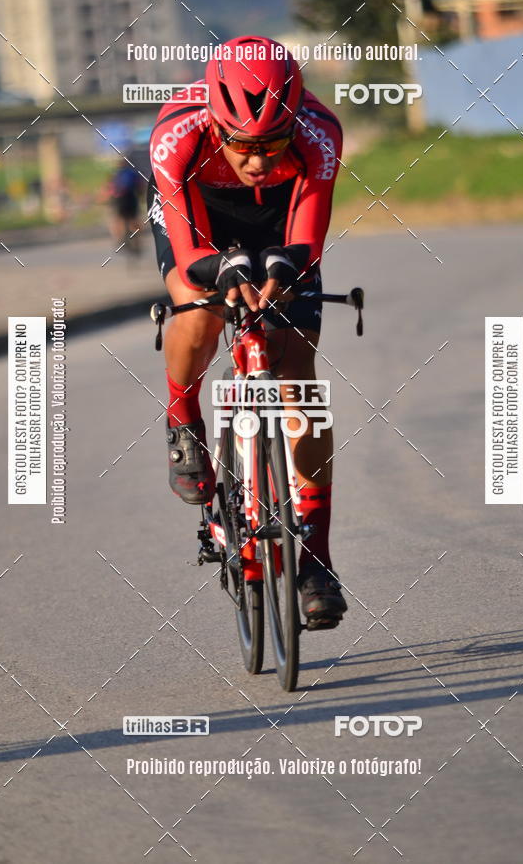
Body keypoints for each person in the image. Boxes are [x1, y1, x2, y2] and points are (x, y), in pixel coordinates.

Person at [148, 35, 347, 629]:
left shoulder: (319, 131)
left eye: (273, 143)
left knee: (299, 380)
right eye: (243, 145)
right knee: (198, 307)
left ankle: (315, 561)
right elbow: (187, 254)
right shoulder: (176, 135)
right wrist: (217, 273)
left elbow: (307, 234)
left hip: (280, 214)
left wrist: (286, 269)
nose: (258, 159)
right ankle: (183, 420)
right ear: (216, 120)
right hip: (201, 211)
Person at [106, 158, 143, 252]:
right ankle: (137, 240)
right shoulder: (133, 173)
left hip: (120, 201)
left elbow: (110, 188)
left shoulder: (115, 174)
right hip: (132, 199)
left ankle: (120, 240)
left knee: (119, 219)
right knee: (134, 219)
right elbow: (140, 187)